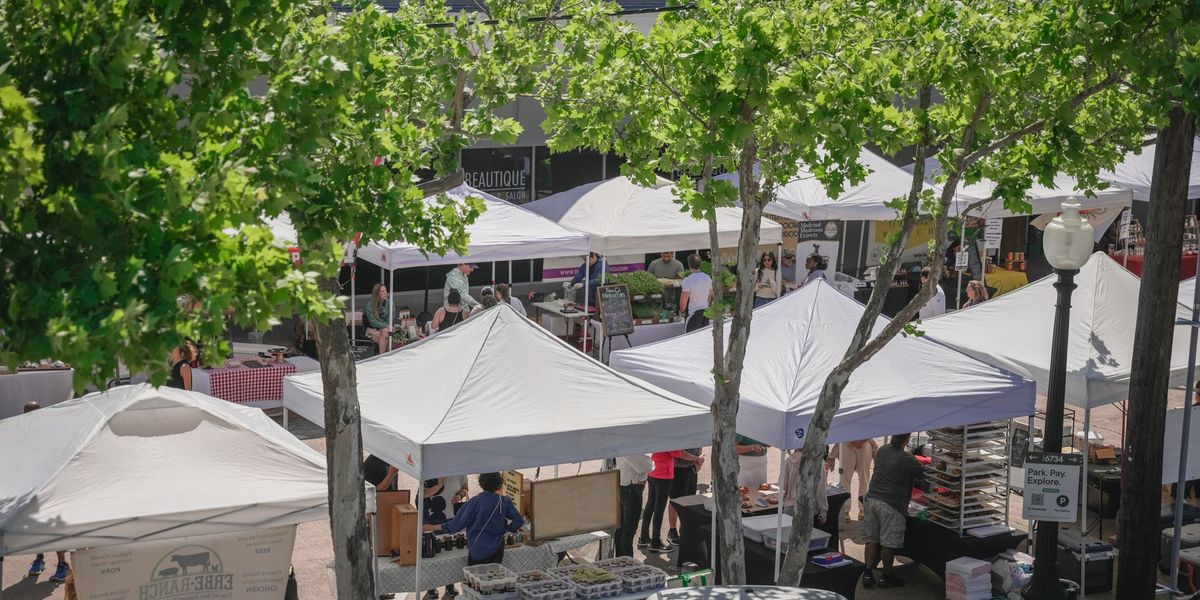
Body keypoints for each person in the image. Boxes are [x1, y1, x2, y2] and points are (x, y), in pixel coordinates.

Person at [862, 433, 926, 589]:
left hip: (872, 499)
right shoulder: (908, 459)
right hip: (891, 504)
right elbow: (925, 477)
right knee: (888, 543)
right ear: (907, 440)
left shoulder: (882, 450)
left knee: (872, 539)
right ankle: (887, 576)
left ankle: (868, 573)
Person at [427, 472, 524, 566]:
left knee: (477, 579)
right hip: (498, 548)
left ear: (481, 483)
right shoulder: (504, 501)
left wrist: (430, 527)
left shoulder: (475, 502)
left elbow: (455, 525)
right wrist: (505, 529)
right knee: (494, 579)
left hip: (478, 549)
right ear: (499, 483)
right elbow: (519, 521)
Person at [23, 402, 70, 583]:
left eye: (32, 413)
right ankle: (39, 559)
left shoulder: (51, 433)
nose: (29, 417)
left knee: (53, 526)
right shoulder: (23, 433)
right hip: (31, 487)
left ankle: (62, 564)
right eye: (26, 413)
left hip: (51, 487)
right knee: (35, 525)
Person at [640, 450, 696, 553]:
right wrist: (696, 458)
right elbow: (679, 453)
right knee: (659, 510)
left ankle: (644, 537)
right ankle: (655, 543)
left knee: (650, 506)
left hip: (654, 472)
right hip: (663, 475)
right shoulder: (668, 440)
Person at [829, 439, 877, 521]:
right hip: (846, 442)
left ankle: (863, 508)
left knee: (864, 479)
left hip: (865, 443)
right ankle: (845, 510)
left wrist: (865, 442)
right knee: (845, 480)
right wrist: (833, 455)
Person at [616, 454, 652, 557]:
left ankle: (620, 560)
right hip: (630, 487)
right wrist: (651, 463)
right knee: (628, 530)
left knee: (622, 529)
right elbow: (644, 466)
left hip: (624, 484)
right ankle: (626, 562)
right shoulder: (628, 443)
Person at [666, 448, 705, 545]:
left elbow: (699, 445)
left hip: (691, 467)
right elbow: (680, 453)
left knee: (690, 500)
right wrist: (697, 459)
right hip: (677, 468)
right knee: (675, 501)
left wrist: (698, 461)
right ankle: (672, 531)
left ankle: (684, 529)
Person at [782, 448, 829, 525]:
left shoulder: (788, 461)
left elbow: (783, 484)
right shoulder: (819, 462)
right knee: (805, 535)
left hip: (790, 505)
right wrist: (823, 509)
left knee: (787, 534)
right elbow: (821, 488)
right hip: (808, 505)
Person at [679, 254, 713, 333]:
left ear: (689, 264)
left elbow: (683, 302)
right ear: (700, 264)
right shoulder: (707, 277)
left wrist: (682, 311)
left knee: (690, 339)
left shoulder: (687, 280)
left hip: (693, 314)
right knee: (702, 338)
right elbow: (709, 296)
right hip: (705, 312)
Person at [364, 283, 394, 353]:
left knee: (385, 333)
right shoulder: (369, 306)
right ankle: (384, 355)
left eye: (386, 291)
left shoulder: (389, 303)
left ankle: (381, 356)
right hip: (372, 330)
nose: (385, 293)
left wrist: (385, 327)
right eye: (382, 291)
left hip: (385, 329)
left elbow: (389, 319)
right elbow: (373, 322)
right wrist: (385, 326)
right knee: (385, 336)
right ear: (377, 294)